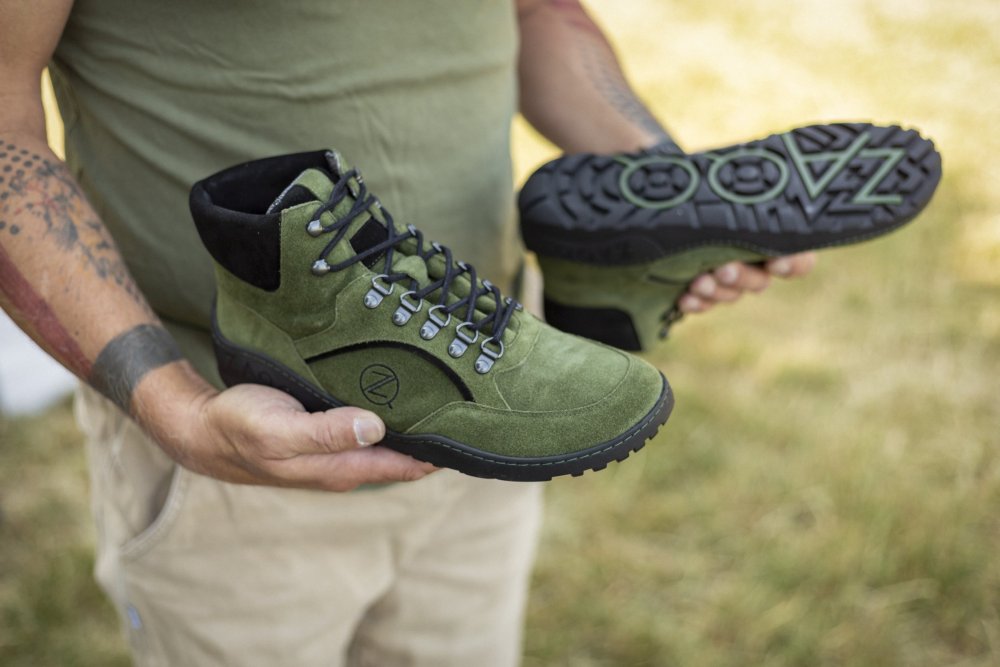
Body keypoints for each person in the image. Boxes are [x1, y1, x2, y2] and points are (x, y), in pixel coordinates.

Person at [0, 0, 815, 664]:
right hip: (232, 452)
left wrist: (668, 195)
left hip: (495, 398)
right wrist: (177, 410)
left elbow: (533, 11)